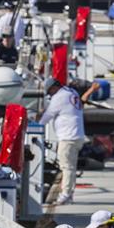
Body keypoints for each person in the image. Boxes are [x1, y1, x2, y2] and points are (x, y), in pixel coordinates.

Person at [40, 77, 86, 205]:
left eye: (49, 92)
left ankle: (65, 194)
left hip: (68, 137)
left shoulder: (59, 97)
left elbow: (47, 116)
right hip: (77, 135)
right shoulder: (72, 92)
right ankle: (69, 194)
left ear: (54, 87)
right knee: (70, 166)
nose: (50, 95)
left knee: (67, 167)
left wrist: (37, 127)